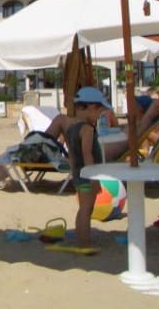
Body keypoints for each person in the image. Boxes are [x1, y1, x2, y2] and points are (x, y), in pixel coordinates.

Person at [64, 86, 108, 250]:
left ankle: (81, 239)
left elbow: (72, 155)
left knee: (83, 208)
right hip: (87, 174)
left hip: (78, 173)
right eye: (99, 112)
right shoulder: (88, 129)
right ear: (89, 107)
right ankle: (84, 242)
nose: (99, 116)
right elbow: (87, 154)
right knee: (86, 209)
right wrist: (94, 178)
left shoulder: (72, 128)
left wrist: (75, 173)